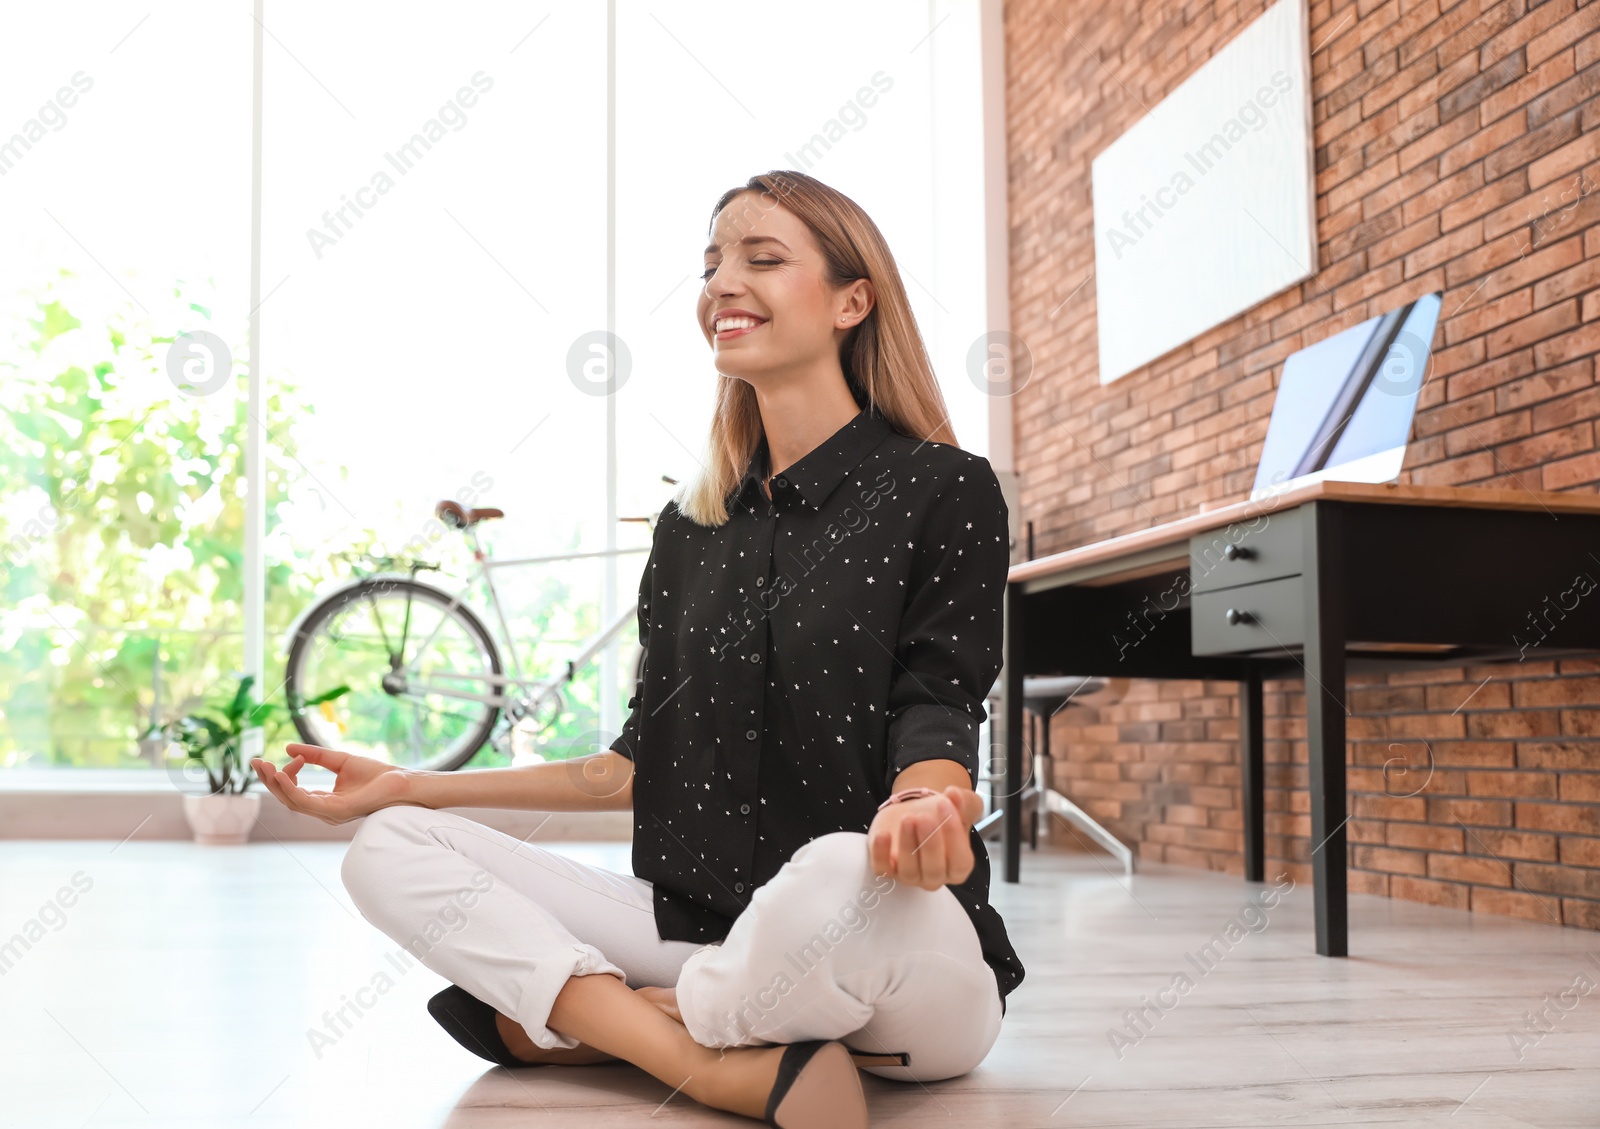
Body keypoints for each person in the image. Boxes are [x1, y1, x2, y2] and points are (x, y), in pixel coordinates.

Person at [253, 169, 1024, 1128]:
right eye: (711, 265)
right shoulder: (688, 530)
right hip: (698, 932)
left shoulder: (943, 488)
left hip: (892, 951)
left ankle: (593, 1026)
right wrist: (407, 784)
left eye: (763, 259)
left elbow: (939, 699)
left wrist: (925, 799)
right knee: (388, 850)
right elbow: (630, 763)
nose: (721, 284)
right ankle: (699, 1058)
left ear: (851, 301)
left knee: (832, 870)